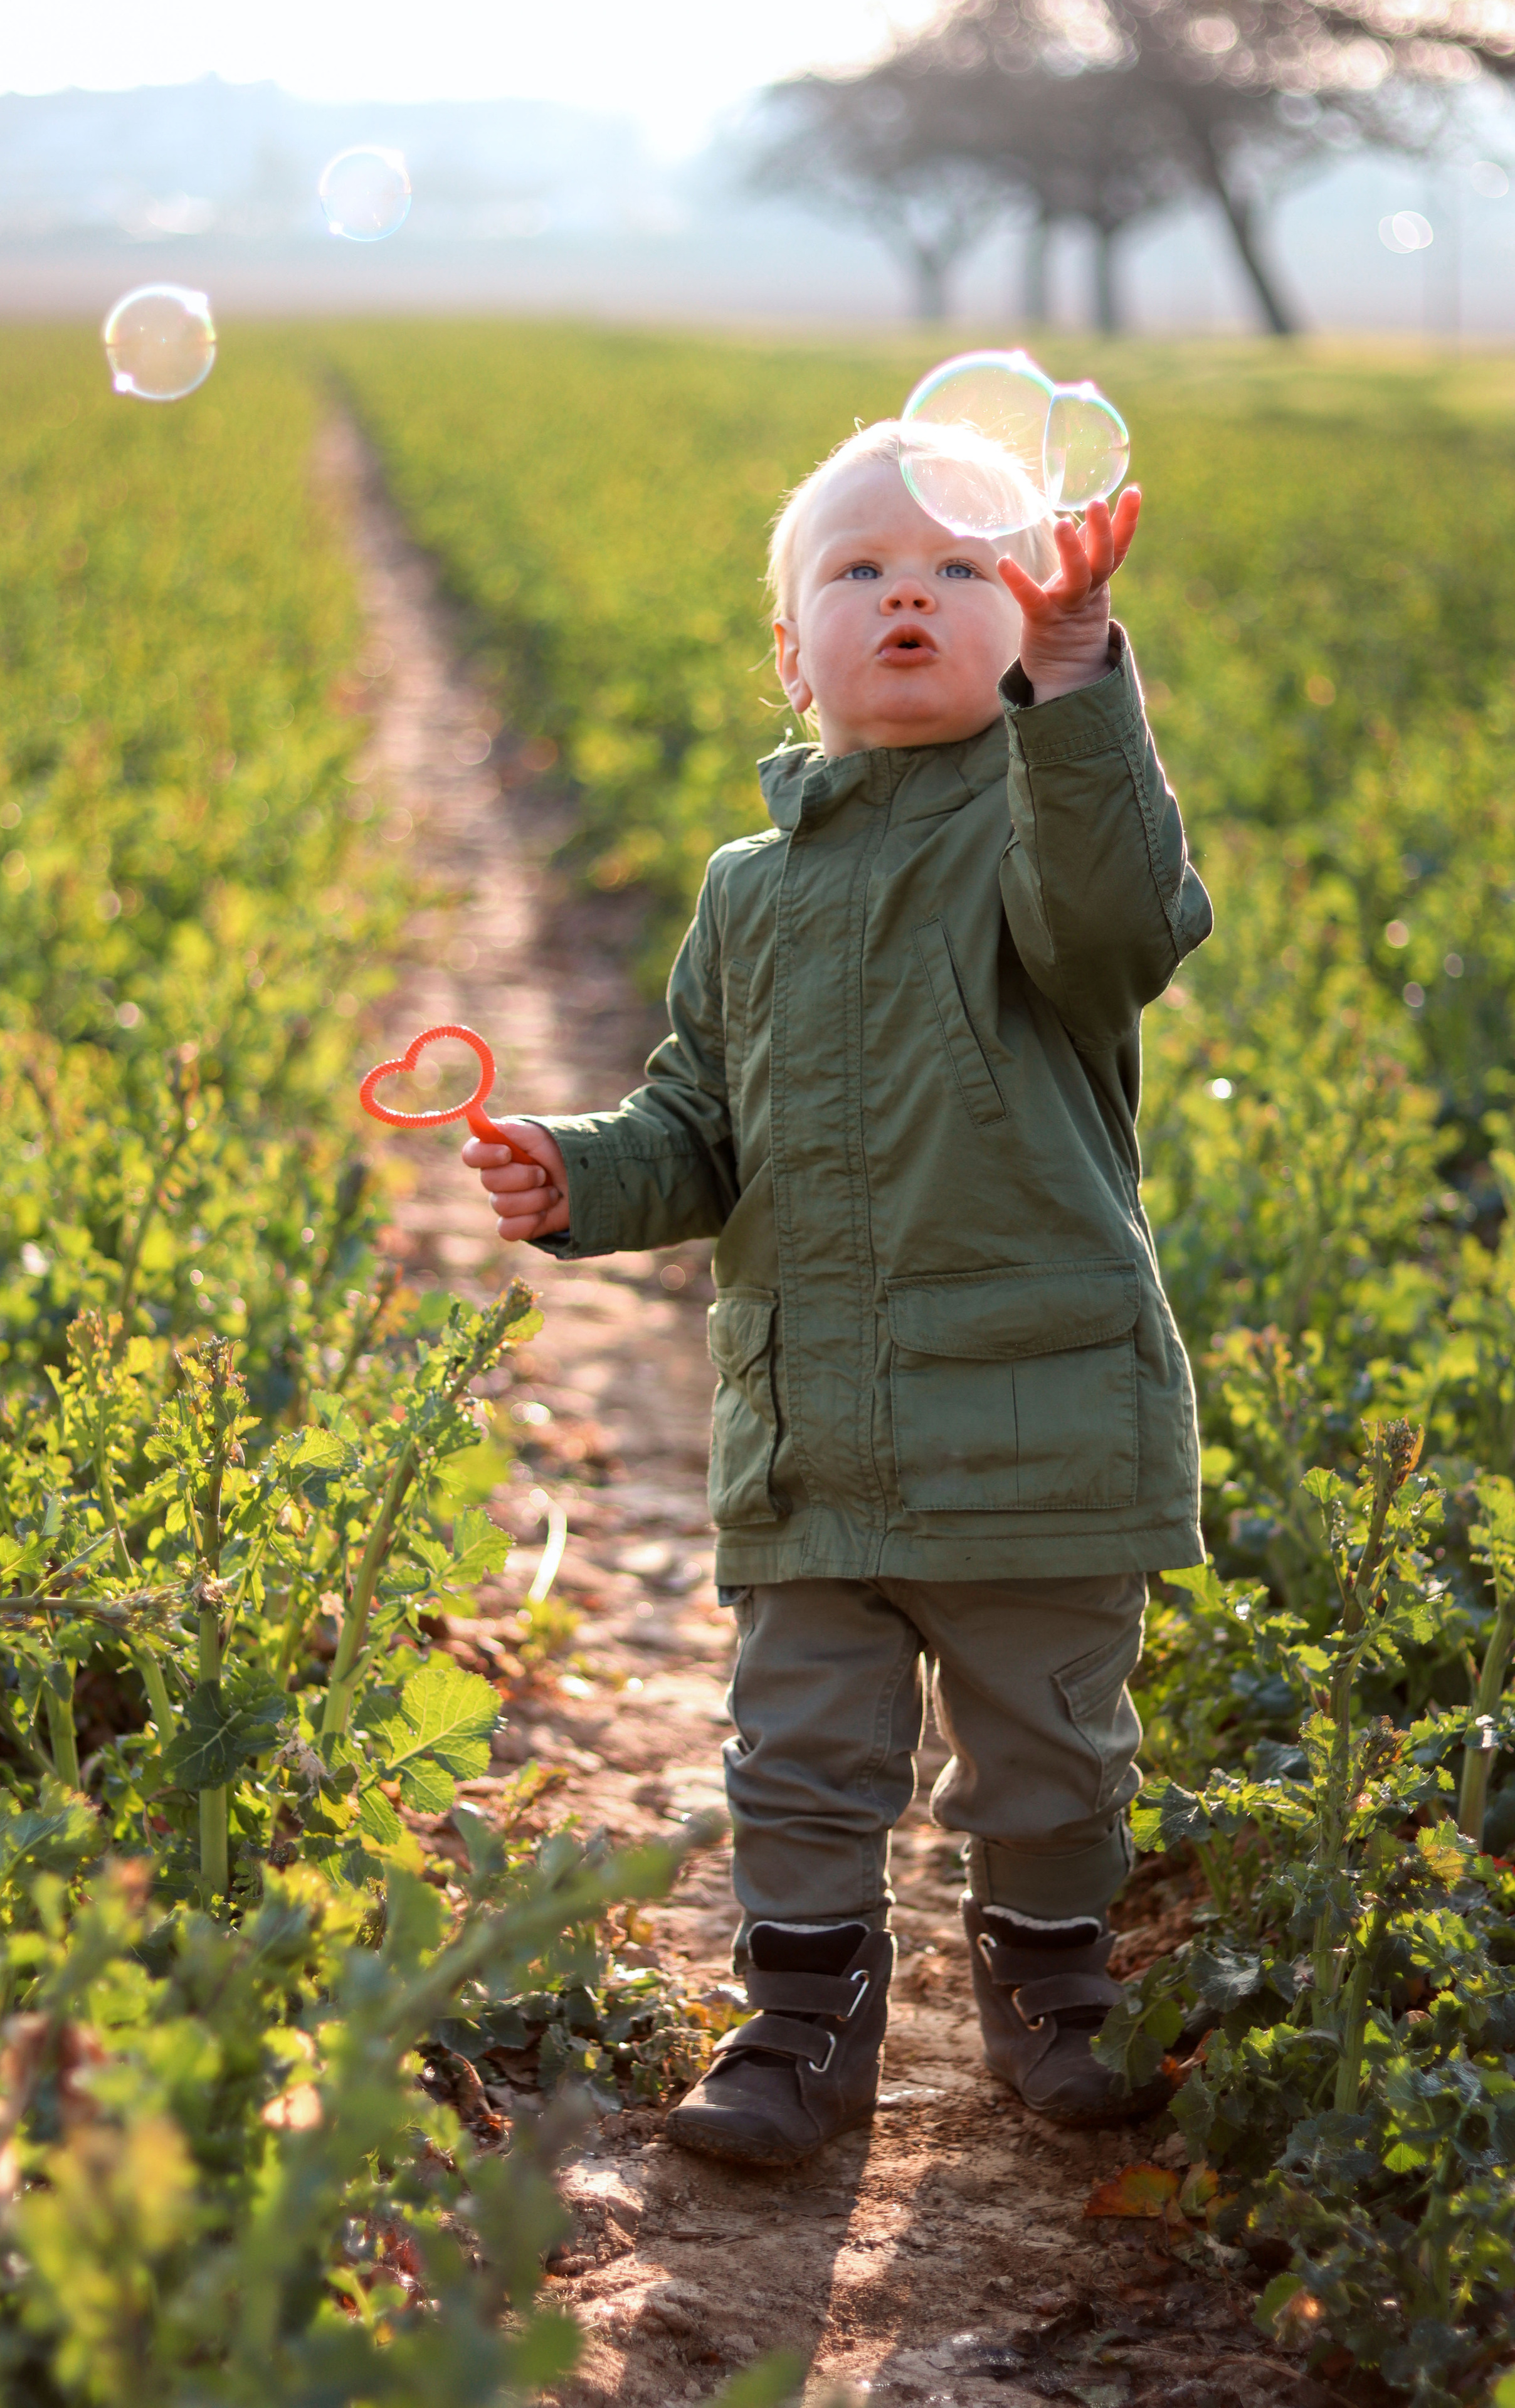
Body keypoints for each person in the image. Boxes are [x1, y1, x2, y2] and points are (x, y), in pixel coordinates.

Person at [463, 418, 1212, 2165]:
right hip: (813, 1432)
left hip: (1036, 1419)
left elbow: (1118, 919)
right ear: (793, 652)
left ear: (1019, 628)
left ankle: (1052, 1980)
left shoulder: (1040, 841)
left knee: (1050, 1752)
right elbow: (701, 1124)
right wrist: (586, 1174)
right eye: (859, 568)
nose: (907, 594)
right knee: (796, 1753)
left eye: (961, 566)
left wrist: (1082, 681)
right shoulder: (750, 893)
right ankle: (804, 2022)